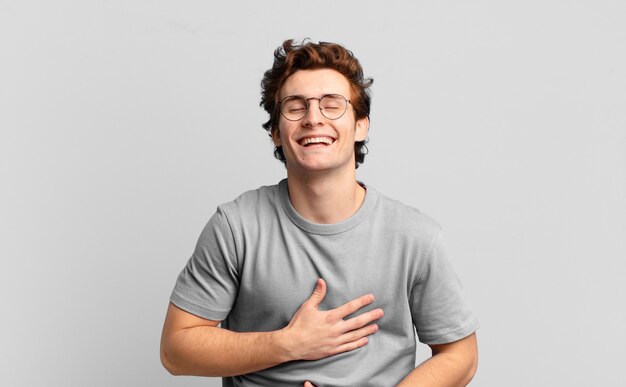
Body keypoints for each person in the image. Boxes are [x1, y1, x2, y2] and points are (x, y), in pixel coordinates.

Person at [160, 39, 479, 387]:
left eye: (332, 105)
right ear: (276, 134)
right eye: (295, 107)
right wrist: (287, 343)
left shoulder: (414, 236)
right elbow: (176, 350)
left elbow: (461, 355)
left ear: (361, 125)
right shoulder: (236, 227)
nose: (313, 118)